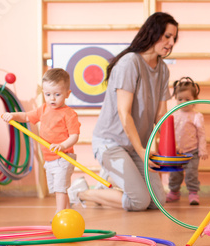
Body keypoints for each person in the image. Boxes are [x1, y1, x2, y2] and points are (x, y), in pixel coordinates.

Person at [67, 12, 178, 211]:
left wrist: (170, 150)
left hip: (135, 146)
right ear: (154, 33)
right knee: (139, 201)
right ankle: (82, 192)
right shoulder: (129, 63)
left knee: (157, 201)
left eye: (174, 38)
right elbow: (124, 113)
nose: (171, 42)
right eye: (167, 36)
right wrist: (142, 151)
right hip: (111, 143)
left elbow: (161, 116)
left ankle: (111, 175)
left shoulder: (163, 70)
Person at [1, 68, 80, 215]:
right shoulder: (43, 109)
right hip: (49, 159)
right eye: (48, 94)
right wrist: (11, 115)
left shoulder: (69, 114)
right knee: (59, 188)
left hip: (64, 157)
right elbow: (25, 117)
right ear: (43, 92)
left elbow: (74, 136)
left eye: (57, 94)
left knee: (59, 189)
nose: (52, 99)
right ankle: (67, 212)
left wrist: (62, 146)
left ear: (67, 94)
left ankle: (60, 214)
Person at [166, 77, 208, 205]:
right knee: (175, 174)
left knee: (191, 174)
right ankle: (174, 192)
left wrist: (202, 149)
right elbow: (169, 134)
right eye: (180, 99)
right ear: (176, 99)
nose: (183, 102)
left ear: (195, 100)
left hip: (192, 152)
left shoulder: (196, 116)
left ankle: (193, 193)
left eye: (187, 99)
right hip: (176, 152)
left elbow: (201, 134)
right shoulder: (173, 115)